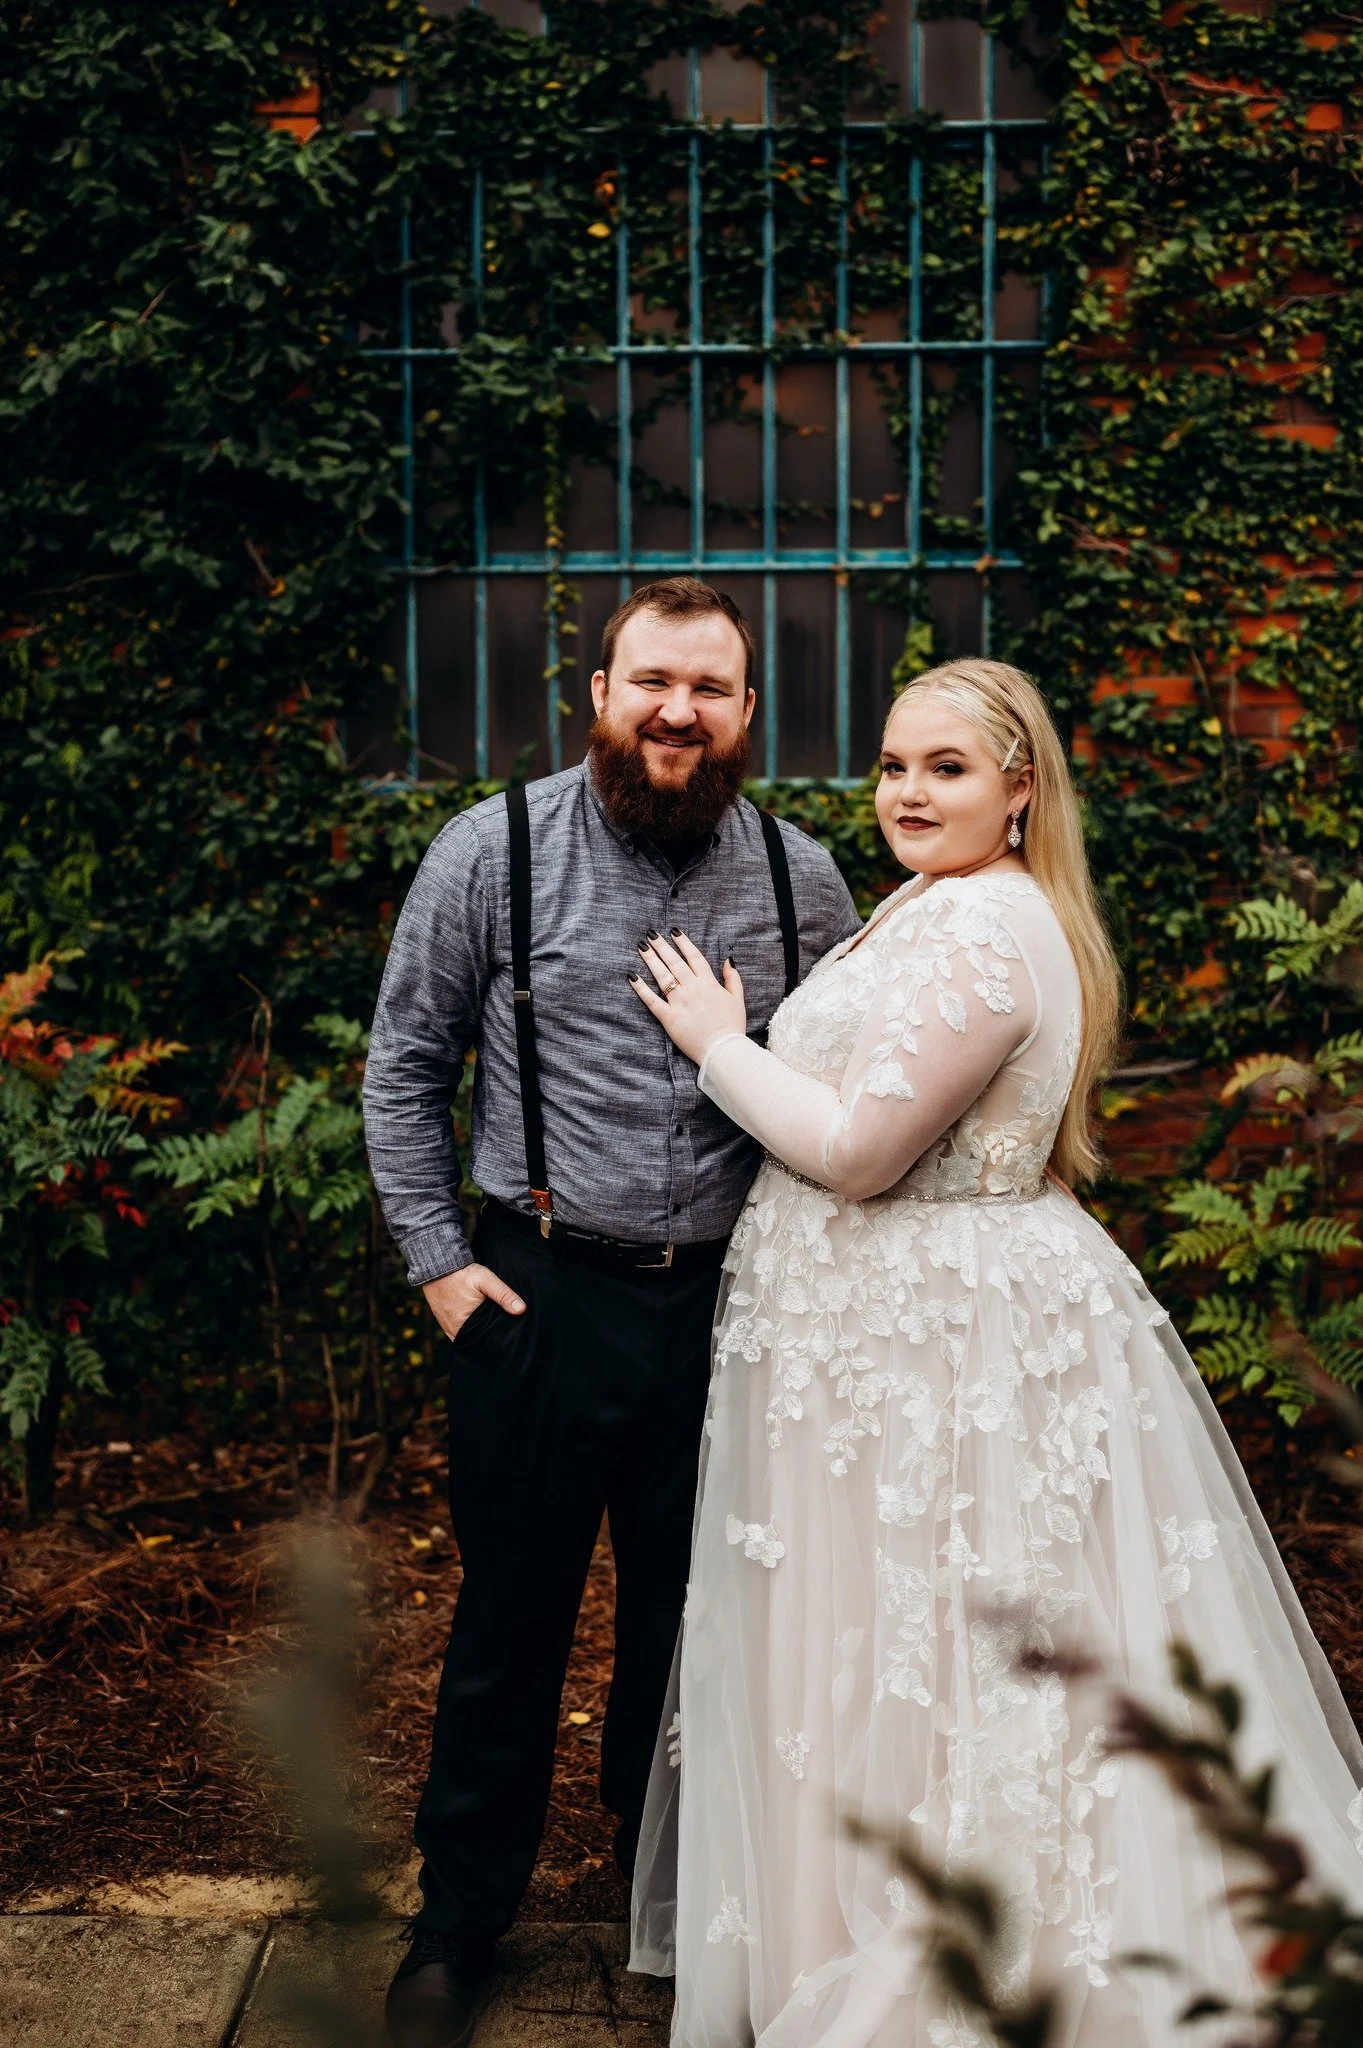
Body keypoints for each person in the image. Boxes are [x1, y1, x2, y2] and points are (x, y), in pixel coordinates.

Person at [625, 658, 1363, 2047]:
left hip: (933, 1349)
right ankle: (849, 1918)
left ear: (1019, 790)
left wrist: (719, 1047)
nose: (907, 791)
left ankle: (965, 1958)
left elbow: (854, 1152)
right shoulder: (931, 902)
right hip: (880, 1347)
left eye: (946, 769)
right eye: (895, 765)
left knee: (939, 1656)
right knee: (883, 1648)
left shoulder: (979, 932)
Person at [362, 576, 859, 2048]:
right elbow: (404, 1068)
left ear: (745, 714)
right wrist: (445, 1269)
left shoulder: (800, 880)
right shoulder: (490, 850)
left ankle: (677, 1925)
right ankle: (455, 1927)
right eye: (651, 681)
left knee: (694, 1626)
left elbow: (838, 1101)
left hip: (725, 1307)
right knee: (509, 1625)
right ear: (597, 692)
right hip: (537, 1292)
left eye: (709, 689)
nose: (676, 712)